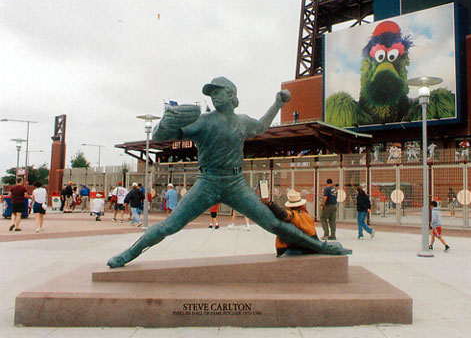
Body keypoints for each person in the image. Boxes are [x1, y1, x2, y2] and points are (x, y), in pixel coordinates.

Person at [107, 76, 349, 268]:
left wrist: (278, 103)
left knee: (272, 223)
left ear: (231, 95)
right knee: (171, 225)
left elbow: (262, 126)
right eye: (211, 93)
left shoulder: (241, 121)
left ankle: (320, 246)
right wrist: (165, 122)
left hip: (235, 182)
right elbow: (162, 137)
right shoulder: (203, 121)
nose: (213, 96)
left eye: (217, 91)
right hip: (208, 181)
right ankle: (127, 255)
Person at [262, 189, 319, 257]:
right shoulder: (306, 215)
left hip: (298, 248)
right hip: (311, 246)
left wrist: (270, 204)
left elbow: (283, 214)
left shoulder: (295, 215)